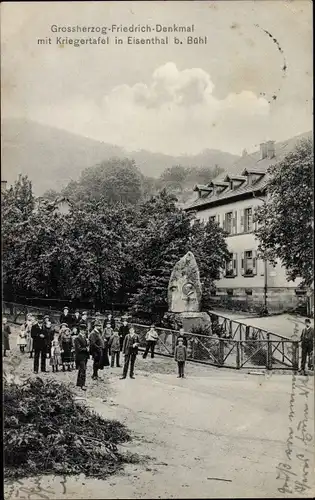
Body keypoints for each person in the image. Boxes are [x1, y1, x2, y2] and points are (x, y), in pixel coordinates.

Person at [74, 322, 89, 390]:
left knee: (81, 370)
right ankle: (82, 384)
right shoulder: (77, 338)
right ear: (80, 330)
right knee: (83, 370)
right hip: (80, 356)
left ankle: (78, 383)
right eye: (83, 330)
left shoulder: (84, 337)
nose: (84, 331)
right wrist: (86, 349)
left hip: (85, 356)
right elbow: (78, 348)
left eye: (85, 330)